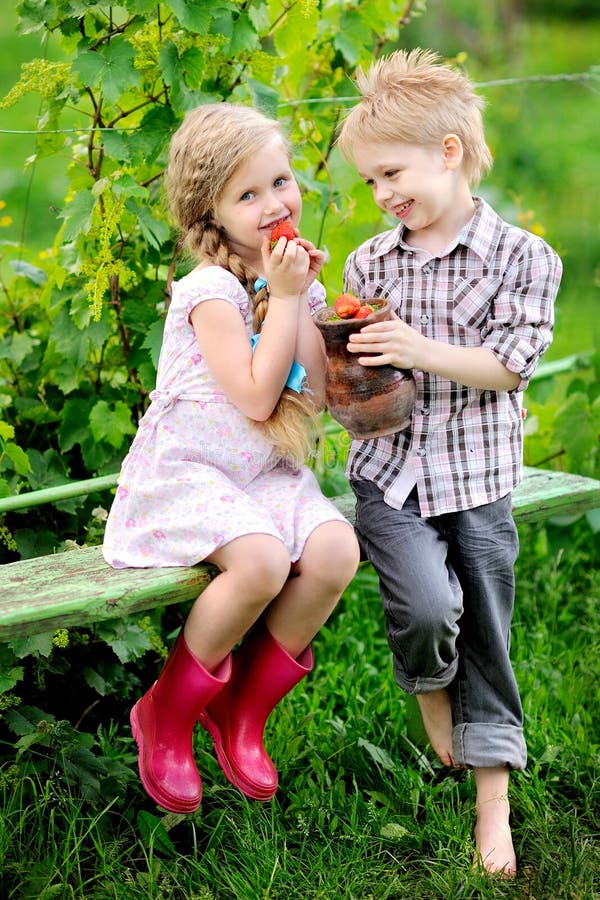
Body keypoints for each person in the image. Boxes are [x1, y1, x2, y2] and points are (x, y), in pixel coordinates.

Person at [336, 49, 562, 877]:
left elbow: (509, 364)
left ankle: (492, 803)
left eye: (391, 172)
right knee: (429, 611)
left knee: (489, 635)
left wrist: (417, 348)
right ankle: (435, 699)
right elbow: (356, 376)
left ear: (450, 153)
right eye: (370, 182)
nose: (383, 194)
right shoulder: (370, 265)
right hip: (390, 475)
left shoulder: (524, 259)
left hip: (477, 479)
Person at [103, 103, 360, 814]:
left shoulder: (285, 283)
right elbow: (254, 396)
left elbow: (307, 398)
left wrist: (300, 300)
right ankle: (168, 712)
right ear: (209, 214)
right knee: (262, 562)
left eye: (280, 181)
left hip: (257, 474)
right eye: (247, 195)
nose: (275, 204)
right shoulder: (209, 292)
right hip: (189, 475)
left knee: (337, 550)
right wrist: (282, 298)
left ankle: (241, 710)